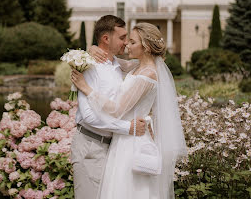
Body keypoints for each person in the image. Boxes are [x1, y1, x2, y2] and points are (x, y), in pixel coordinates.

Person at [71, 22, 187, 199]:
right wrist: (92, 49)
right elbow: (112, 60)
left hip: (131, 143)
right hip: (123, 139)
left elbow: (117, 109)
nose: (127, 44)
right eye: (126, 40)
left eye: (132, 42)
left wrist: (86, 88)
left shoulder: (148, 74)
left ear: (146, 46)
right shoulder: (136, 66)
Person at [70, 15, 147, 199]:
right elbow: (88, 116)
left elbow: (148, 63)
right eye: (122, 38)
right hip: (91, 147)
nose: (126, 42)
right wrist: (128, 128)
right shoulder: (90, 67)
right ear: (106, 38)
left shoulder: (116, 65)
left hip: (112, 148)